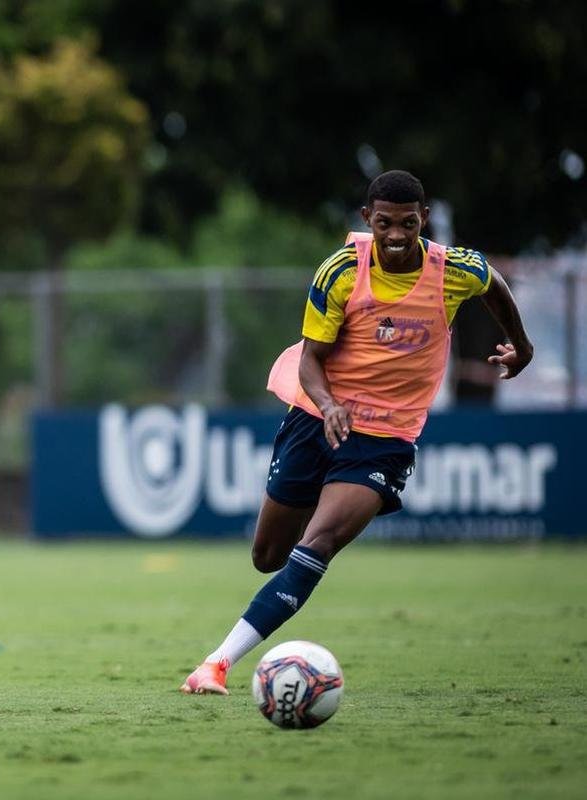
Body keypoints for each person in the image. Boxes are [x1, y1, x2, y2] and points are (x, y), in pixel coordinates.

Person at [181, 170, 533, 694]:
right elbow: (310, 361)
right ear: (368, 220)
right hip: (317, 417)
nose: (396, 236)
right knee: (268, 556)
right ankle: (295, 564)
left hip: (386, 436)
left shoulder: (455, 269)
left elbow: (494, 286)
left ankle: (215, 664)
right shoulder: (340, 272)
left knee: (318, 543)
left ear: (424, 220)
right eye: (386, 223)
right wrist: (328, 406)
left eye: (408, 224)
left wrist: (520, 345)